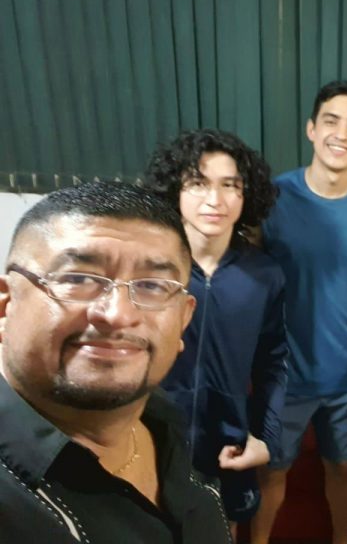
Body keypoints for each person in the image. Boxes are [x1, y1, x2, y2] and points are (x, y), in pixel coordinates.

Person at [0, 182, 233, 543]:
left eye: (152, 286)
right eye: (78, 279)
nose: (118, 314)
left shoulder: (163, 420)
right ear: (5, 307)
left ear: (184, 319)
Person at [255, 80, 347, 544]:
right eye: (331, 121)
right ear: (311, 129)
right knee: (272, 472)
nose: (342, 133)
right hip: (283, 372)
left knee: (343, 466)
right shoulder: (272, 198)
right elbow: (248, 275)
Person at [144, 129, 288, 540]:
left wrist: (265, 437)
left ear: (246, 194)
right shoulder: (147, 267)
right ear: (176, 190)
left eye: (230, 185)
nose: (215, 200)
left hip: (228, 443)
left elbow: (274, 363)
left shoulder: (264, 275)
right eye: (198, 183)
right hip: (148, 437)